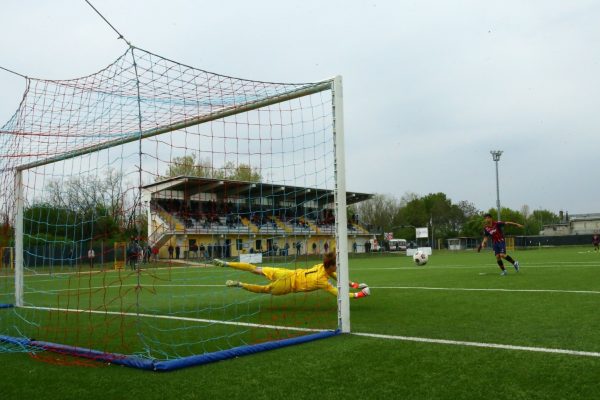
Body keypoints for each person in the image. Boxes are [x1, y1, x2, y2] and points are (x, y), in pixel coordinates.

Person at [213, 252, 370, 299]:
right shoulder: (322, 281)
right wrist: (359, 294)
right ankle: (240, 284)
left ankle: (226, 263)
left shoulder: (321, 267)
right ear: (331, 265)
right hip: (288, 285)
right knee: (264, 289)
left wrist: (353, 284)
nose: (339, 266)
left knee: (256, 269)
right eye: (337, 263)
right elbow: (338, 292)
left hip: (288, 273)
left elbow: (336, 275)